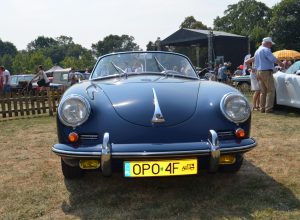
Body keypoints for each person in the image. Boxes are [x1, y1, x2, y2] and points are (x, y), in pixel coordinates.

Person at [246, 37, 283, 113]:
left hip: (258, 72)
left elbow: (252, 62)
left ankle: (262, 108)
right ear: (267, 43)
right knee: (271, 90)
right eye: (270, 44)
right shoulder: (266, 50)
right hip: (266, 72)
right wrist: (281, 63)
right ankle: (268, 109)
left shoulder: (257, 51)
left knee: (263, 91)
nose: (271, 45)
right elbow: (273, 59)